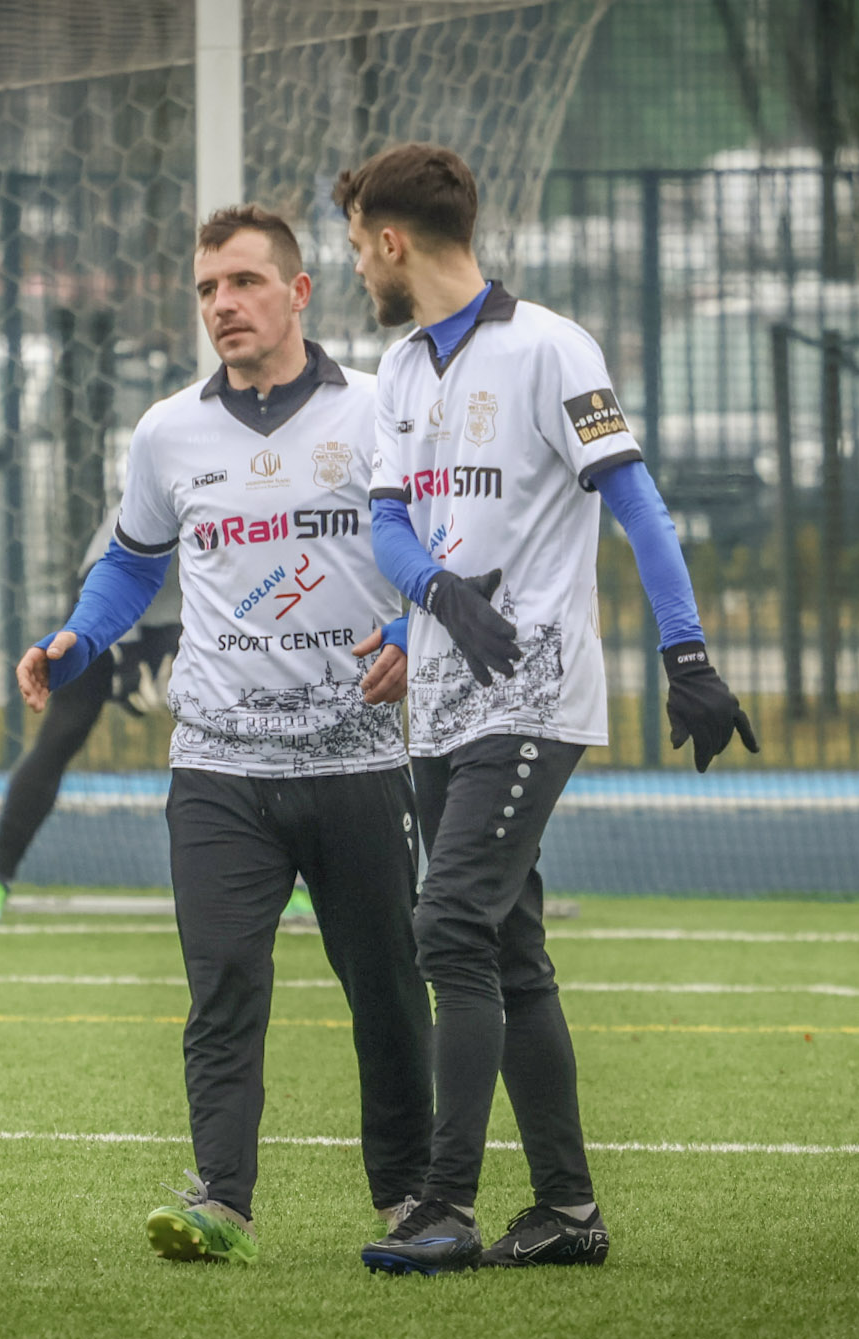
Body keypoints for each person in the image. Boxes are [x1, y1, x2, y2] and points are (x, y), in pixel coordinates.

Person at [334, 143, 757, 1276]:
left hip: (533, 695)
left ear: (391, 241)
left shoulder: (551, 346)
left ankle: (444, 1206)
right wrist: (432, 600)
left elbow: (639, 504)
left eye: (357, 247)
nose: (357, 269)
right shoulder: (402, 371)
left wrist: (685, 652)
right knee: (508, 949)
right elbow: (388, 524)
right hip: (442, 702)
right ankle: (568, 1212)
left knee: (446, 928)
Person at [14, 204, 431, 1265]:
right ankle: (221, 1201)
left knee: (387, 987)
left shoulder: (379, 411)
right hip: (216, 767)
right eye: (207, 289)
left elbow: (447, 547)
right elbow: (130, 561)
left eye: (244, 282)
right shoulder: (167, 432)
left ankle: (408, 1196)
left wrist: (408, 633)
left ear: (299, 292)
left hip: (359, 758)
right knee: (223, 984)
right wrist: (77, 634)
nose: (222, 304)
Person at [0, 510, 182, 925]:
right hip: (108, 618)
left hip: (195, 624)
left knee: (242, 744)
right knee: (61, 734)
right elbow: (105, 570)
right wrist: (127, 650)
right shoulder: (156, 486)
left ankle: (287, 884)